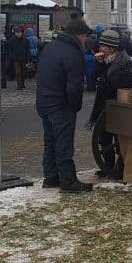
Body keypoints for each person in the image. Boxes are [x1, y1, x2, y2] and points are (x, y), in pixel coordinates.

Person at [36, 19, 94, 192]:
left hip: (45, 102)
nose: (85, 41)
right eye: (85, 37)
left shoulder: (51, 47)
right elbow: (74, 87)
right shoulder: (72, 53)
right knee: (63, 144)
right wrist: (74, 106)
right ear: (79, 35)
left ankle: (51, 177)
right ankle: (68, 180)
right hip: (60, 104)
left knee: (51, 141)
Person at [88, 30, 132, 178]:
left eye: (104, 46)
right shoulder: (105, 61)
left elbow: (121, 85)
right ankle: (107, 166)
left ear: (112, 48)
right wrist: (100, 65)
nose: (100, 48)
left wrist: (104, 77)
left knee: (119, 139)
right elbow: (94, 77)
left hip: (118, 106)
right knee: (104, 137)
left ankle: (121, 168)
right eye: (101, 45)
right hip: (104, 105)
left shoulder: (124, 63)